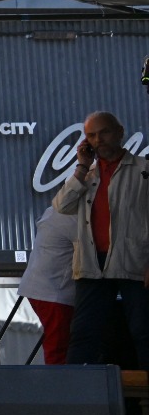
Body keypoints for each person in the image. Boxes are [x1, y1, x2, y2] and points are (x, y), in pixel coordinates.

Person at [55, 111, 149, 368]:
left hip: (135, 260)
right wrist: (82, 165)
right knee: (83, 334)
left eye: (104, 132)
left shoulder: (143, 169)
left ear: (119, 132)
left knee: (143, 331)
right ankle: (76, 390)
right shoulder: (88, 175)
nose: (98, 140)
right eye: (91, 135)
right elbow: (62, 206)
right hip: (92, 262)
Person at [16, 206, 77, 365]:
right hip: (55, 292)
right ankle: (57, 378)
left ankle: (57, 375)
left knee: (57, 342)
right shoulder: (76, 217)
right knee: (58, 346)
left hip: (38, 287)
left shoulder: (53, 210)